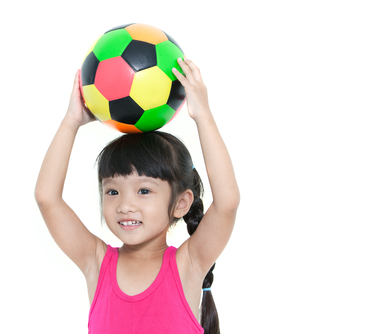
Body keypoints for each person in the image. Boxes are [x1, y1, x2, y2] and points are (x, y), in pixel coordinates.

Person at [34, 58, 240, 334]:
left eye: (144, 191)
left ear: (181, 203)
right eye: (112, 191)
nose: (124, 205)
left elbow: (227, 203)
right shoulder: (96, 262)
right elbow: (47, 198)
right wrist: (71, 122)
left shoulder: (188, 264)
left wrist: (203, 115)